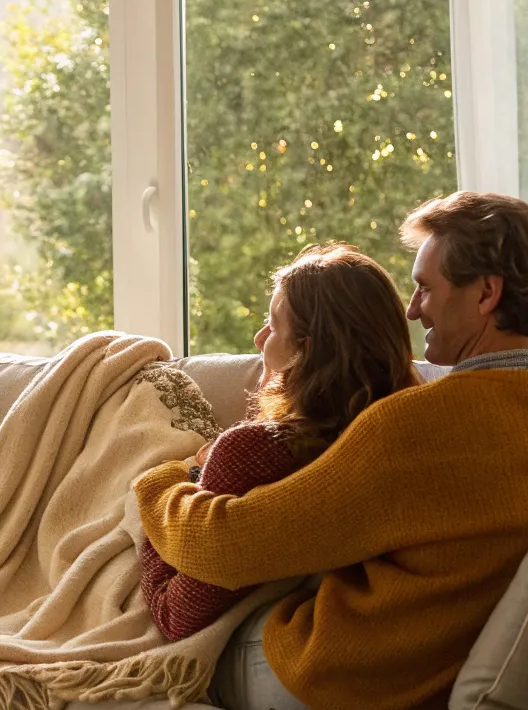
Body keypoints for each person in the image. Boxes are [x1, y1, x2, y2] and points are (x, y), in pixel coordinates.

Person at [137, 191, 528, 710]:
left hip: (349, 676)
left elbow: (228, 545)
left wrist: (161, 483)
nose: (411, 308)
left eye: (425, 287)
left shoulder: (419, 422)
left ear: (487, 292)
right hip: (454, 676)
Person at [138, 244, 417, 651]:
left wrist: (162, 485)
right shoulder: (408, 429)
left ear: (306, 350)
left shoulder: (257, 452)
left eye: (272, 326)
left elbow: (176, 615)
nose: (258, 338)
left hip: (286, 653)